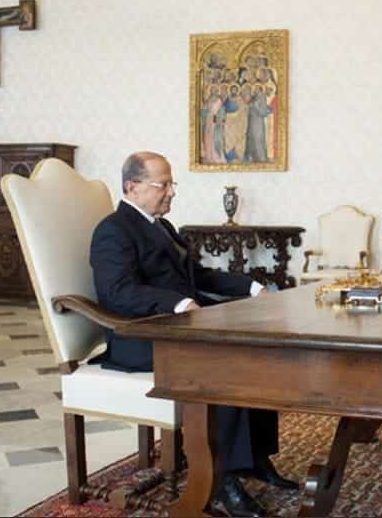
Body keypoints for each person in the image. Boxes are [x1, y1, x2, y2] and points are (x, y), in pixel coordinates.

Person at [90, 151, 296, 517]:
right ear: (132, 187)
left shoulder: (163, 227)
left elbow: (198, 276)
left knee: (257, 349)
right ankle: (221, 479)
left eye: (172, 184)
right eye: (163, 185)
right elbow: (117, 292)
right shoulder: (113, 230)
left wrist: (251, 288)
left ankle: (254, 460)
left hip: (176, 329)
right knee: (222, 364)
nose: (172, 192)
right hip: (139, 336)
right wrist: (178, 303)